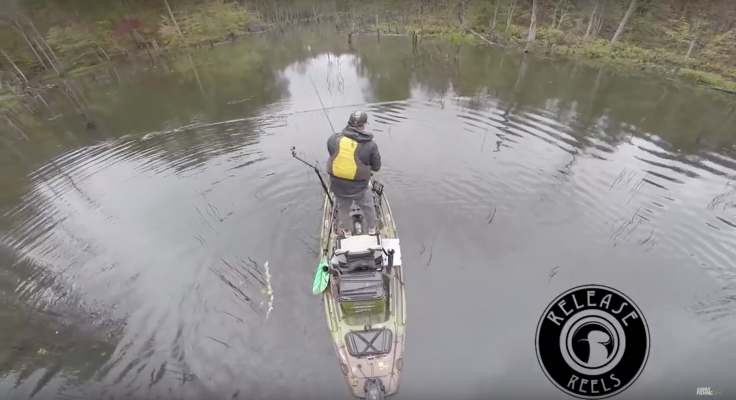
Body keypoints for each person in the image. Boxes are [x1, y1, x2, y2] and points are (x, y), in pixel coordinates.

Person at [326, 110, 381, 236]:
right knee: (368, 206)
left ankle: (346, 231)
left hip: (337, 186)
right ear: (364, 125)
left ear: (348, 123)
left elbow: (332, 155)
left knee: (343, 208)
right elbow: (376, 167)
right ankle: (372, 229)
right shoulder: (371, 145)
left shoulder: (333, 139)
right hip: (359, 187)